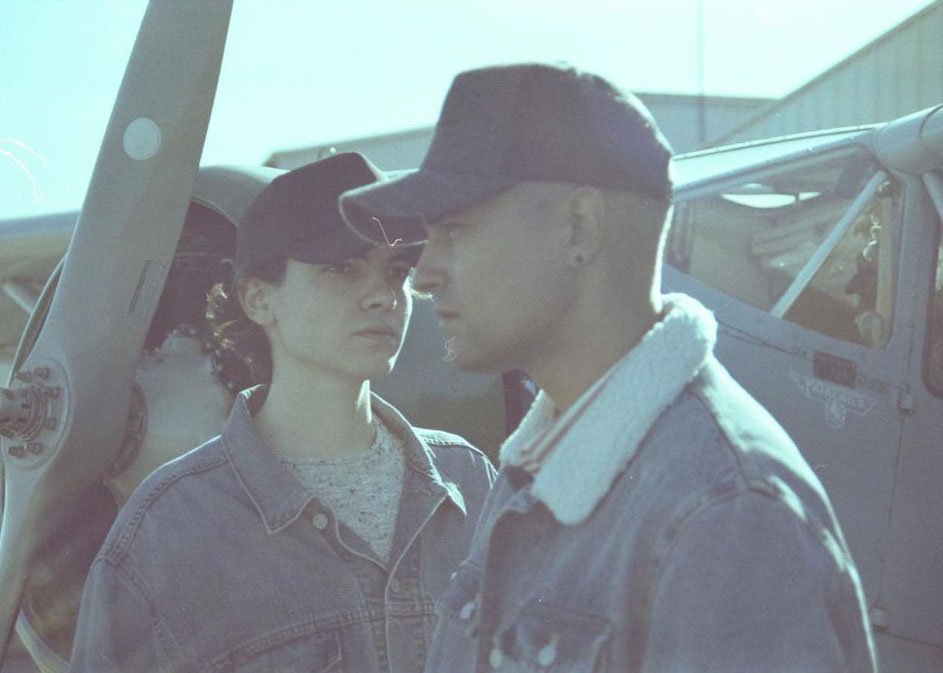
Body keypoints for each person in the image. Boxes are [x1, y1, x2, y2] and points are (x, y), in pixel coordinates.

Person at [339, 64, 878, 672]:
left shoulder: (729, 517)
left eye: (454, 230)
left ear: (580, 227)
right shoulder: (538, 465)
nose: (423, 274)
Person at [70, 152, 496, 672]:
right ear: (257, 299)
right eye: (342, 268)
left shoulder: (470, 479)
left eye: (396, 271)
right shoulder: (166, 528)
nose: (383, 296)